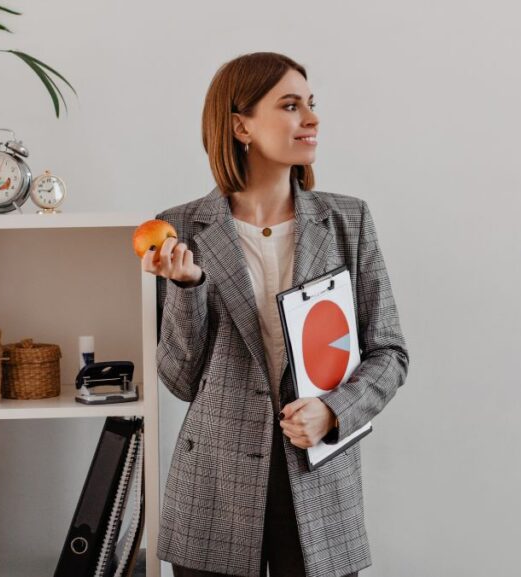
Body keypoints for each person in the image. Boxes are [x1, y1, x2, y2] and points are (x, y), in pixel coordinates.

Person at [143, 52, 409, 577]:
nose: (311, 119)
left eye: (311, 105)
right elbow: (179, 379)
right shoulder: (179, 230)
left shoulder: (346, 221)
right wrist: (188, 288)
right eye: (290, 106)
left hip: (319, 481)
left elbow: (390, 353)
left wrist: (333, 410)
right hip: (214, 491)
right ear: (240, 124)